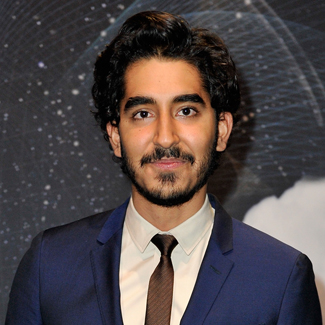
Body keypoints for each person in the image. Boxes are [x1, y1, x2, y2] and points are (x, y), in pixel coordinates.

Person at [6, 11, 321, 325]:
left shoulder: (280, 278)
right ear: (115, 136)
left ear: (222, 130)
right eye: (143, 113)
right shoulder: (49, 265)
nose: (165, 136)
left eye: (186, 111)